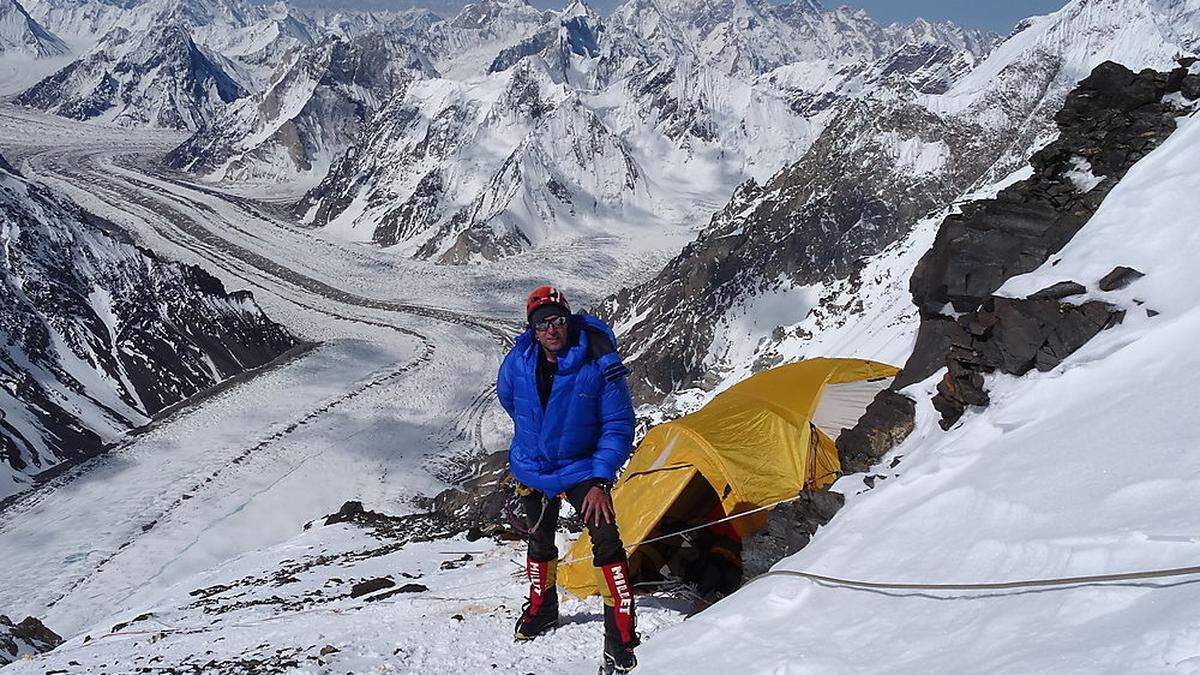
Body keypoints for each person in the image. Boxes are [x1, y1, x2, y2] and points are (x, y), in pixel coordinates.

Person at [497, 285, 639, 673]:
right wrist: (537, 441)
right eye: (543, 323)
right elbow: (509, 399)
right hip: (534, 465)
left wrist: (600, 480)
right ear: (533, 328)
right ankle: (543, 608)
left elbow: (618, 423)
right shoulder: (519, 360)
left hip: (583, 468)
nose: (552, 329)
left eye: (558, 320)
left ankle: (621, 636)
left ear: (568, 320)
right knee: (539, 537)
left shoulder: (598, 360)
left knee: (606, 541)